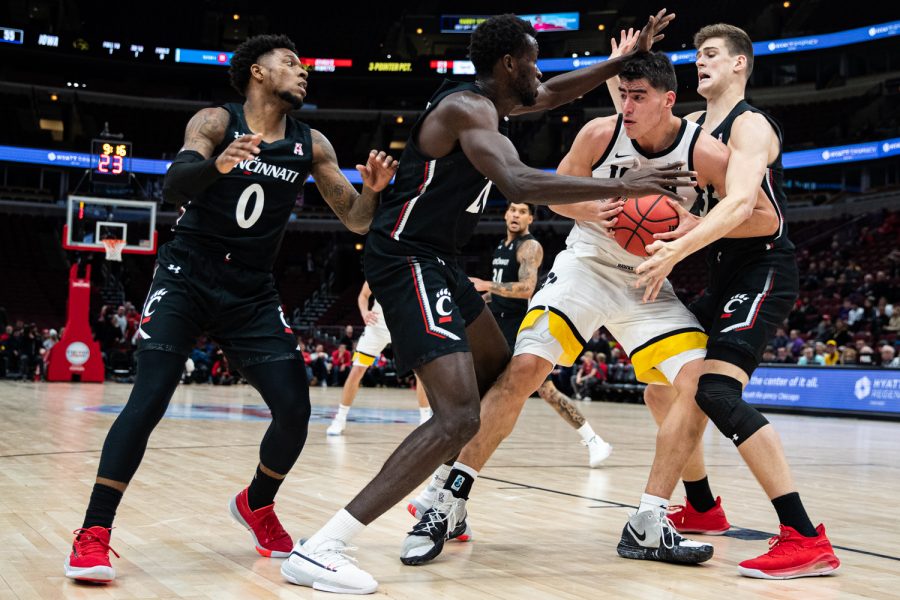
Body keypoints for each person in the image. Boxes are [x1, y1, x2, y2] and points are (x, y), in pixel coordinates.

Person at [281, 10, 694, 594]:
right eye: (531, 60)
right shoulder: (466, 109)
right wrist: (628, 185)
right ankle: (325, 546)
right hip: (407, 259)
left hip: (438, 261)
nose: (539, 72)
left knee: (504, 379)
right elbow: (521, 183)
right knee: (458, 416)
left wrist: (621, 61)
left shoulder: (493, 103)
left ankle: (447, 498)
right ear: (508, 64)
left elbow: (550, 94)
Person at [400, 49, 769, 568]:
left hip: (649, 282)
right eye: (622, 95)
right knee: (525, 368)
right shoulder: (600, 133)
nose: (627, 105)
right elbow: (556, 196)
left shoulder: (703, 150)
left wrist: (691, 232)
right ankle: (448, 500)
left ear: (668, 101)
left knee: (696, 382)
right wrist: (591, 207)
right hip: (586, 267)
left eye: (638, 97)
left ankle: (648, 519)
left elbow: (762, 216)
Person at [64, 34, 398, 583]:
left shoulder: (311, 144)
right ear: (257, 74)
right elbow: (175, 185)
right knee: (149, 399)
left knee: (295, 409)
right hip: (188, 273)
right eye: (290, 63)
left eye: (303, 63)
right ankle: (93, 533)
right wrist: (217, 164)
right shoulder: (216, 122)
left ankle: (257, 503)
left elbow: (357, 220)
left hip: (251, 291)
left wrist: (376, 191)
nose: (302, 70)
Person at [632, 23, 840, 579]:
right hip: (723, 271)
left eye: (711, 54)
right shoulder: (694, 127)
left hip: (765, 266)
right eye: (695, 54)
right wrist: (623, 68)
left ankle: (804, 535)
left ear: (740, 64)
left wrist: (677, 245)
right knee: (660, 386)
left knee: (716, 391)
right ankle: (702, 508)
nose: (698, 61)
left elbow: (747, 203)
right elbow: (638, 121)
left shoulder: (751, 127)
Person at [471, 201, 611, 465]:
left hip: (517, 326)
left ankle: (594, 440)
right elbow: (501, 293)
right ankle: (468, 443)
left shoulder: (529, 247)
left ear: (530, 219)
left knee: (544, 390)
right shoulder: (502, 246)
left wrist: (485, 284)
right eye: (512, 209)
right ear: (505, 213)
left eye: (522, 211)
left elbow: (525, 288)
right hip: (498, 322)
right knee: (487, 385)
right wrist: (480, 297)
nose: (515, 215)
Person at [326, 281, 433, 436]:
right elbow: (363, 295)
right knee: (357, 370)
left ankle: (424, 420)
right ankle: (340, 418)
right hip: (378, 325)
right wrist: (364, 313)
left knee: (421, 374)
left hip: (406, 326)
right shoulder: (378, 267)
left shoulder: (413, 267)